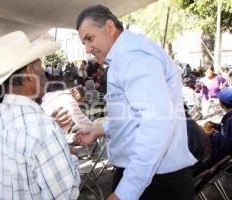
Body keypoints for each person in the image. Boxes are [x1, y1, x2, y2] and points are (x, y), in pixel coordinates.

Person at [74, 5, 197, 200]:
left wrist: (125, 192)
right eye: (84, 42)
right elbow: (132, 118)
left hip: (156, 183)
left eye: (90, 38)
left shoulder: (131, 57)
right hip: (152, 178)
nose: (88, 48)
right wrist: (99, 130)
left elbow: (156, 124)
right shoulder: (126, 55)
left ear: (109, 27)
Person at [0, 31, 80, 199]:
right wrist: (72, 157)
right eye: (40, 65)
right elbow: (66, 194)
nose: (44, 74)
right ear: (29, 73)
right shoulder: (44, 128)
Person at [203, 88, 232, 166]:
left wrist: (212, 134)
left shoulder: (230, 119)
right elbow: (228, 130)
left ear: (221, 104)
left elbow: (228, 145)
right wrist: (216, 126)